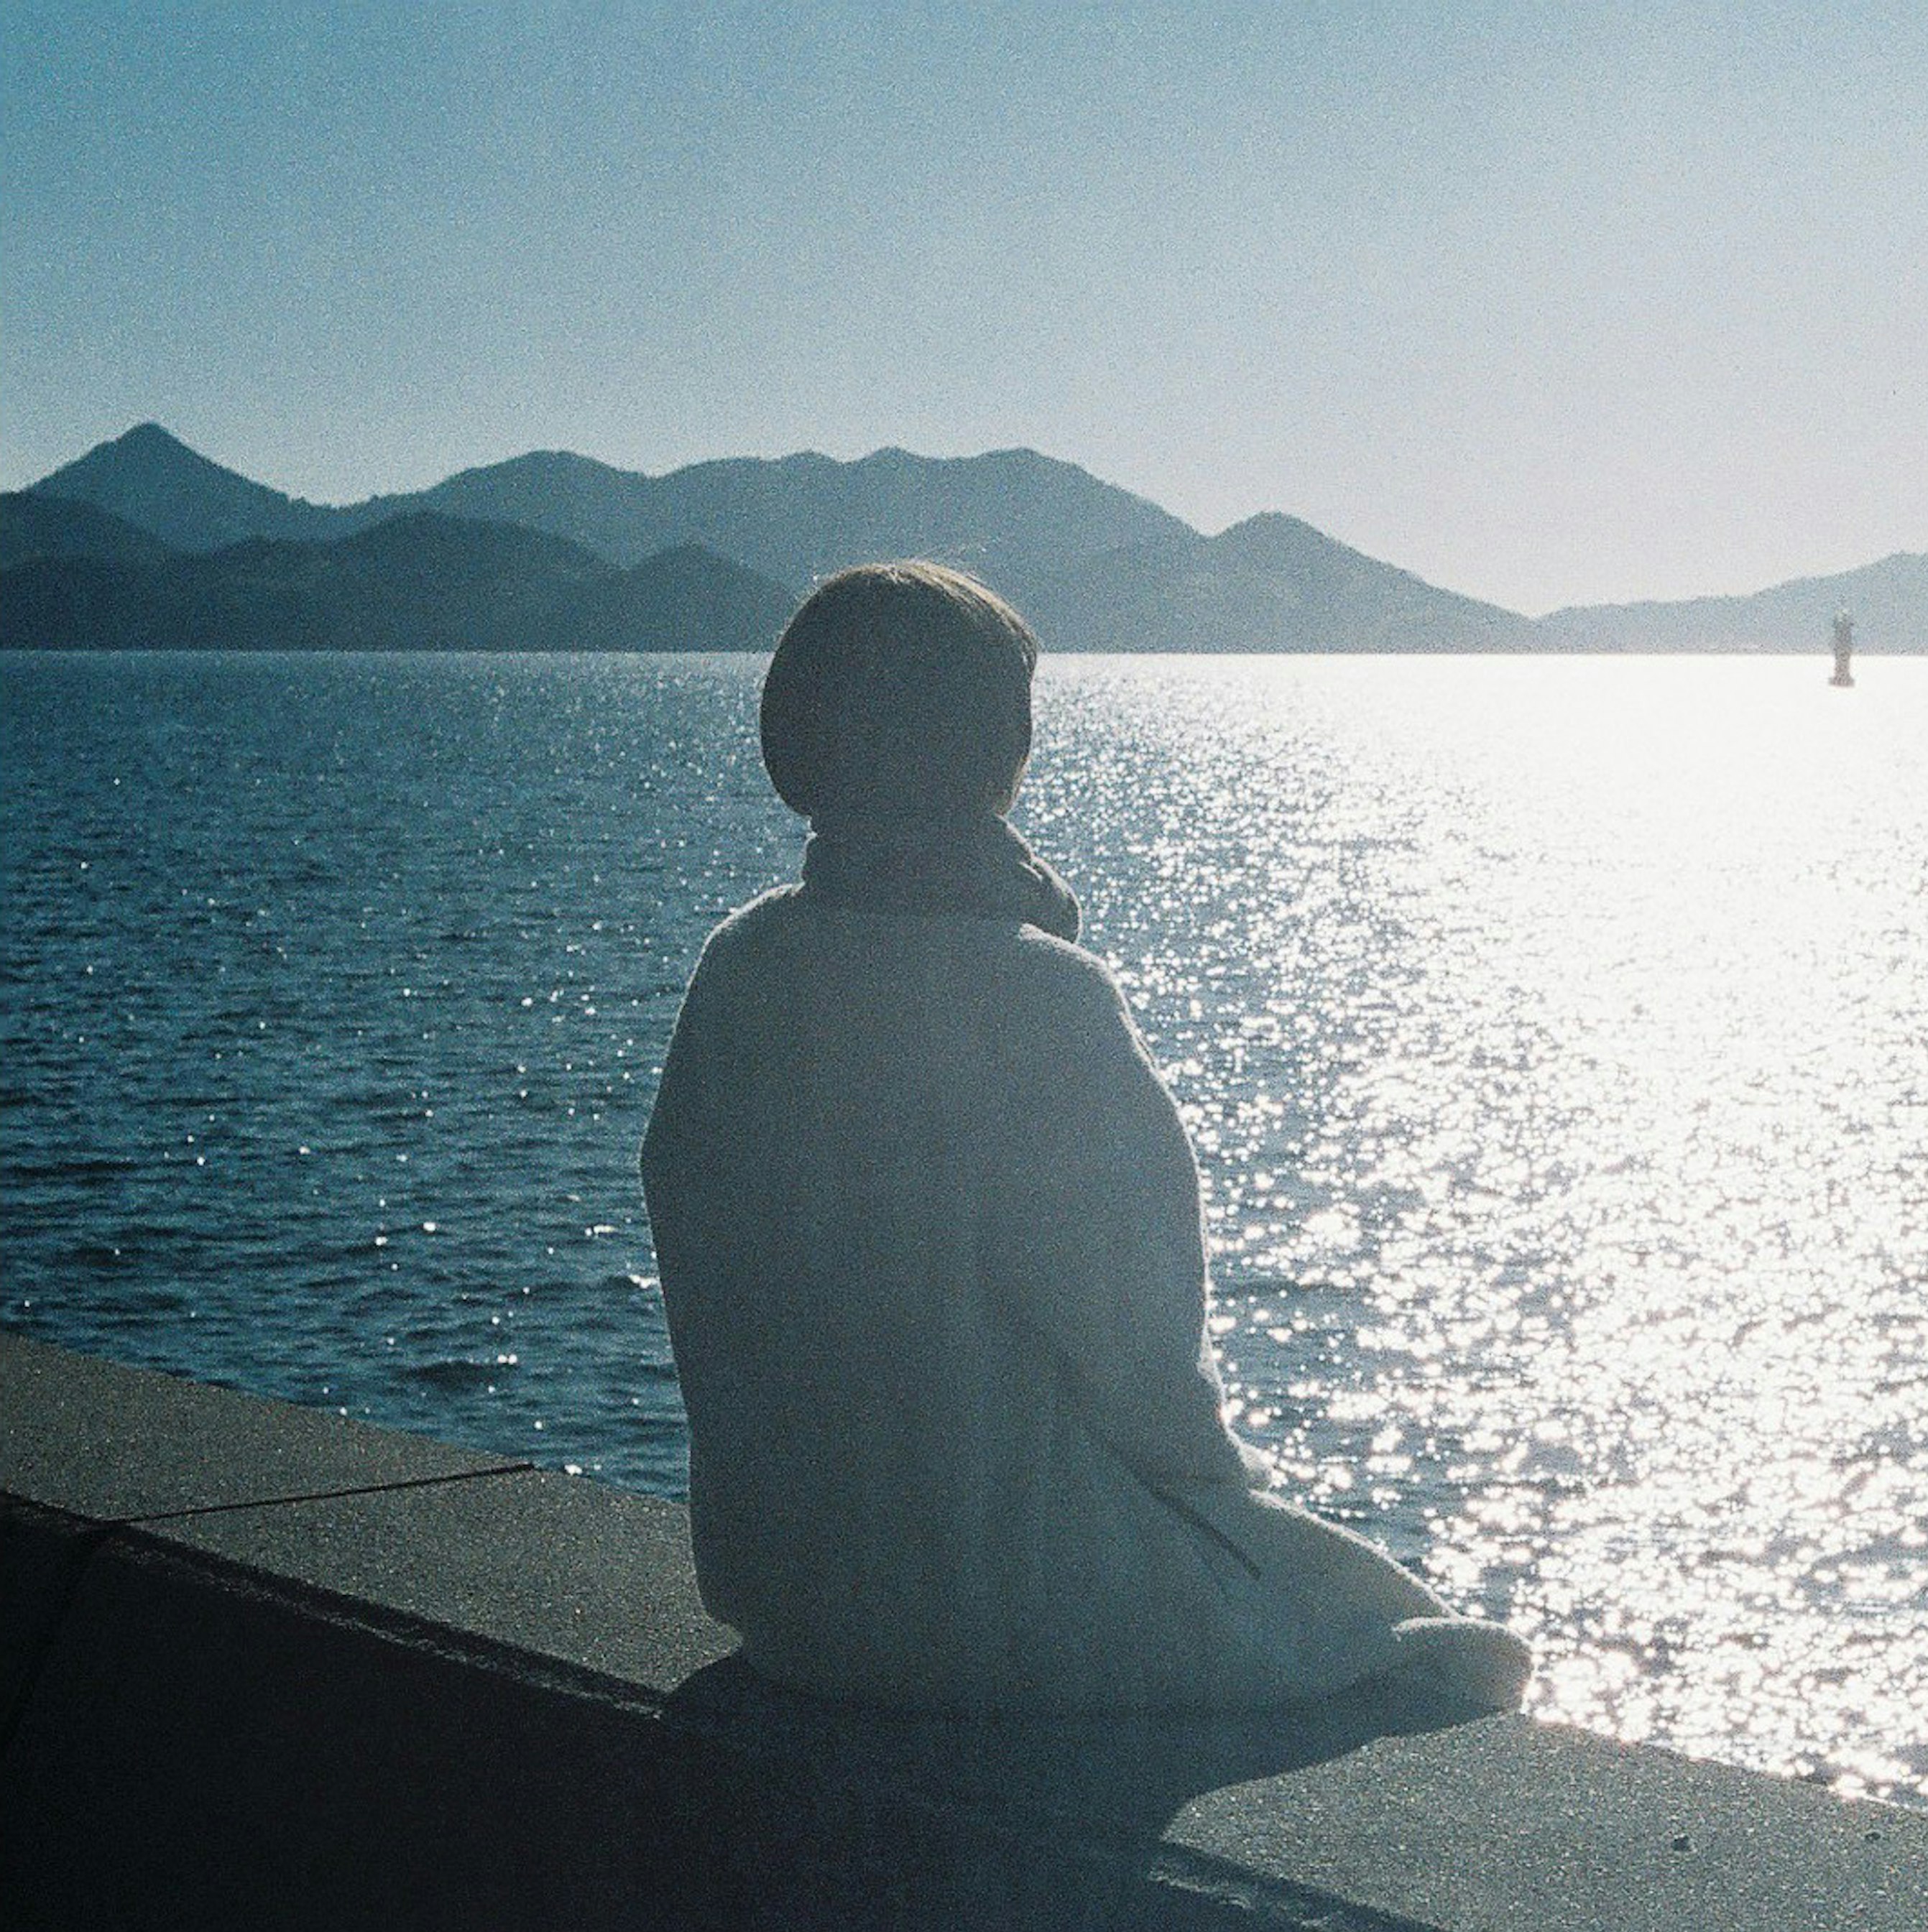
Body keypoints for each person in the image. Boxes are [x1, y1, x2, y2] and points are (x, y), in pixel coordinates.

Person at [640, 561, 1529, 1715]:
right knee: (1422, 1643)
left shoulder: (741, 968)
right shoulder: (1042, 998)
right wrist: (1222, 1510)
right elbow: (1144, 1358)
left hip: (789, 1602)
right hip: (995, 1607)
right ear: (993, 747)